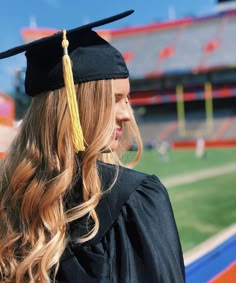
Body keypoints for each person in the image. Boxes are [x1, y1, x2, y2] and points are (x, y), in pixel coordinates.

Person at [0, 10, 185, 283]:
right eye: (116, 99)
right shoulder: (133, 199)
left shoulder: (8, 196)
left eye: (128, 99)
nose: (127, 114)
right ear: (76, 107)